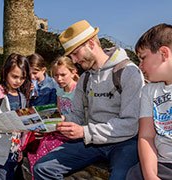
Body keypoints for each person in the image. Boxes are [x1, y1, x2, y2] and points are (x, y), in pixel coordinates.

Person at [33, 20, 145, 180]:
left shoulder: (129, 72)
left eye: (75, 53)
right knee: (42, 168)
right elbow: (77, 115)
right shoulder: (85, 78)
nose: (75, 60)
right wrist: (56, 122)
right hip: (91, 142)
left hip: (125, 142)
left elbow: (130, 124)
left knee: (121, 176)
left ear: (91, 44)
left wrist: (85, 132)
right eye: (71, 56)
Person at [126, 23, 172, 180]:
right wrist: (150, 175)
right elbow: (146, 136)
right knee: (133, 174)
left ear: (164, 53)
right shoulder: (149, 91)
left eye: (143, 58)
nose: (140, 65)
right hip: (163, 164)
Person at [27, 56, 79, 178]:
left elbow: (79, 116)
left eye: (62, 75)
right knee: (33, 147)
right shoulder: (59, 91)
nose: (59, 79)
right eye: (55, 75)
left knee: (43, 150)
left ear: (73, 72)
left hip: (72, 131)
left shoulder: (78, 90)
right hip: (59, 129)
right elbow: (58, 112)